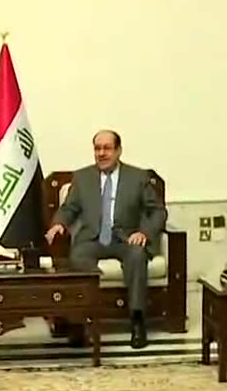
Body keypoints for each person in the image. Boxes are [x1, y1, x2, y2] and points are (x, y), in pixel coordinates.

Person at [45, 129, 167, 348]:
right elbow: (69, 208)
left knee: (137, 256)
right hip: (92, 239)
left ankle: (137, 320)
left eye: (107, 148)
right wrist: (59, 224)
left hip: (125, 239)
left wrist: (144, 233)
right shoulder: (82, 178)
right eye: (97, 149)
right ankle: (83, 321)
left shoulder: (138, 178)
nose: (101, 153)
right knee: (78, 257)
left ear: (118, 151)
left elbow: (157, 211)